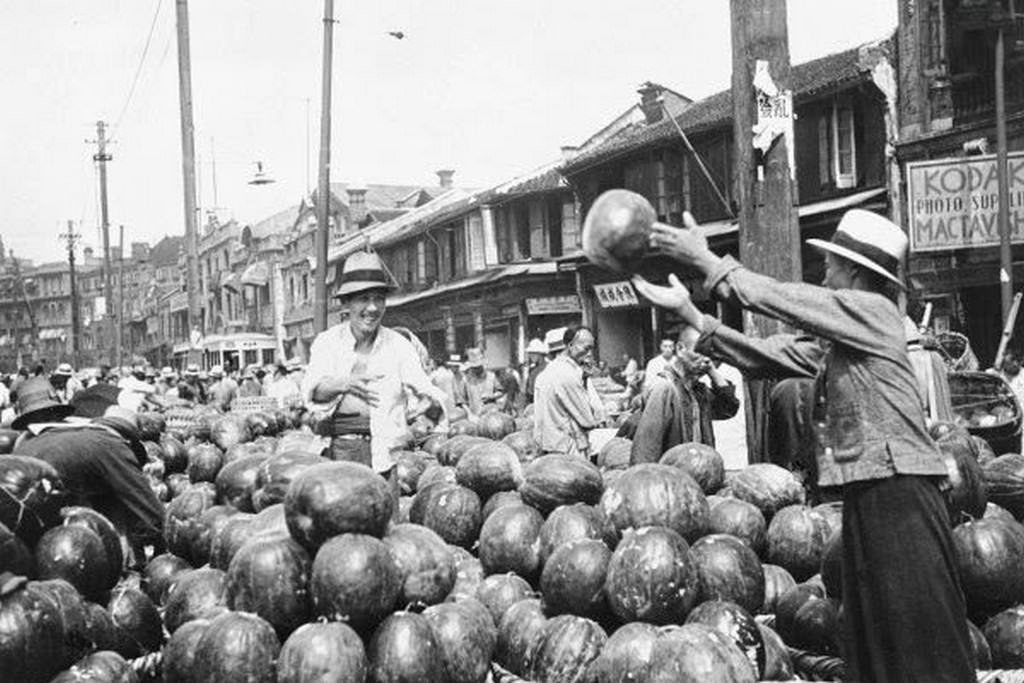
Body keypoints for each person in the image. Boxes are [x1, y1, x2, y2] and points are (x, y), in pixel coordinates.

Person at [633, 208, 972, 682]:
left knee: (918, 625)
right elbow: (771, 354)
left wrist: (710, 262)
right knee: (877, 627)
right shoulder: (849, 339)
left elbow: (786, 300)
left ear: (856, 272)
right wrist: (693, 316)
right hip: (874, 489)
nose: (825, 273)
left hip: (900, 491)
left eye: (832, 264)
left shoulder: (874, 312)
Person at [302, 251, 446, 472]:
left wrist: (430, 412)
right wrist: (344, 383)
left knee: (384, 505)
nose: (372, 308)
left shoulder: (399, 345)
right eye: (363, 299)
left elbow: (424, 392)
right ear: (346, 303)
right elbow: (313, 392)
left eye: (379, 299)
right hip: (339, 451)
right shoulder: (327, 343)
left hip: (387, 454)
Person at [12, 377, 165, 562]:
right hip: (80, 552)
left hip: (31, 547)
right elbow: (151, 513)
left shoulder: (21, 447)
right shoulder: (107, 444)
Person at [630, 326, 740, 464]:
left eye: (710, 355)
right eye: (700, 352)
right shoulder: (664, 389)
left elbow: (728, 408)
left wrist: (712, 371)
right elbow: (646, 450)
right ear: (681, 349)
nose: (706, 360)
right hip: (673, 477)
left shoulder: (698, 391)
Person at [533, 326, 600, 459]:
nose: (590, 354)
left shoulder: (545, 374)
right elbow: (587, 420)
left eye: (592, 349)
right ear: (570, 346)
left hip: (548, 447)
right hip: (569, 448)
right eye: (586, 348)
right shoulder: (569, 375)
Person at [462, 348, 502, 416]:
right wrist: (469, 414)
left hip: (490, 415)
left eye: (478, 367)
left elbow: (500, 391)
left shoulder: (491, 377)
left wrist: (492, 396)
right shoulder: (466, 380)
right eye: (474, 368)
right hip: (474, 415)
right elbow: (462, 401)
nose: (476, 370)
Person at [521, 338, 548, 406]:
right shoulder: (532, 370)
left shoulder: (548, 367)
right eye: (530, 354)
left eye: (533, 353)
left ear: (540, 354)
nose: (531, 356)